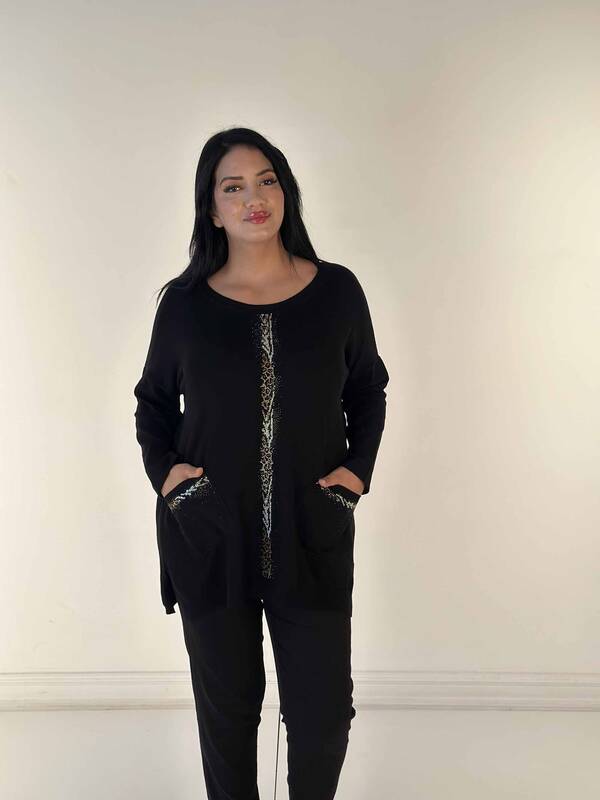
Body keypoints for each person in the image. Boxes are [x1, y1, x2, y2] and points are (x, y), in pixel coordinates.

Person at [133, 127, 390, 800]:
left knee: (322, 714)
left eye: (267, 180)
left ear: (286, 192)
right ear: (212, 210)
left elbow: (368, 390)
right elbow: (152, 404)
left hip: (313, 533)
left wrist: (354, 475)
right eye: (234, 187)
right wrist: (171, 480)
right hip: (210, 536)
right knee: (228, 715)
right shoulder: (185, 306)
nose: (254, 198)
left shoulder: (336, 292)